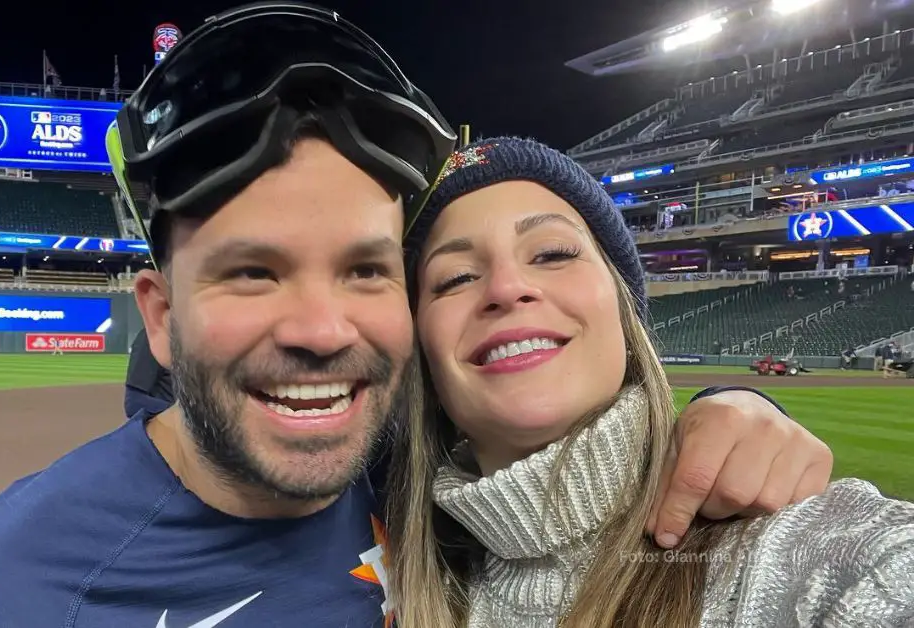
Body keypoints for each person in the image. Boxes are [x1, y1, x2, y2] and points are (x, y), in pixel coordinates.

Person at [0, 5, 835, 626]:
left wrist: (739, 411)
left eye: (368, 271)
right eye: (253, 273)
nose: (322, 330)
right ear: (161, 319)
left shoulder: (423, 488)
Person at [386, 137, 913, 627]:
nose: (506, 286)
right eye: (454, 278)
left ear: (623, 308)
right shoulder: (388, 570)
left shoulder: (815, 553)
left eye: (552, 254)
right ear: (420, 348)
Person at [124, 327, 173, 417]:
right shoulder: (154, 338)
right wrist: (180, 414)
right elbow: (134, 402)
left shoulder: (192, 340)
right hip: (166, 427)